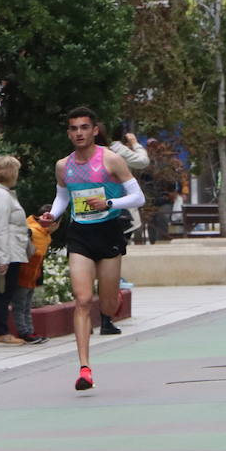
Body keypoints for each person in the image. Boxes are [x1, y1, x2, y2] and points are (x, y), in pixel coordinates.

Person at [39, 107, 145, 391]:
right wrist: (54, 215)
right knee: (83, 299)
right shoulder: (64, 165)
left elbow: (138, 197)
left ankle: (113, 300)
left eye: (84, 127)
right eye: (73, 129)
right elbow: (62, 196)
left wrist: (110, 203)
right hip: (80, 235)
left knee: (107, 305)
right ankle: (84, 368)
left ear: (94, 130)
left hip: (108, 232)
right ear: (69, 133)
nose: (79, 133)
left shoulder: (111, 160)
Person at [0, 155, 31, 347]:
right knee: (3, 292)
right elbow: (1, 227)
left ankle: (0, 331)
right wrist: (4, 259)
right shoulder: (0, 196)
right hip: (7, 250)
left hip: (7, 249)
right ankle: (0, 332)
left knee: (2, 292)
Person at [14, 213, 53, 345]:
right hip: (25, 273)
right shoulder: (33, 231)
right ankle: (25, 332)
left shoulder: (44, 234)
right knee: (21, 305)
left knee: (25, 305)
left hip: (31, 275)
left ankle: (29, 331)